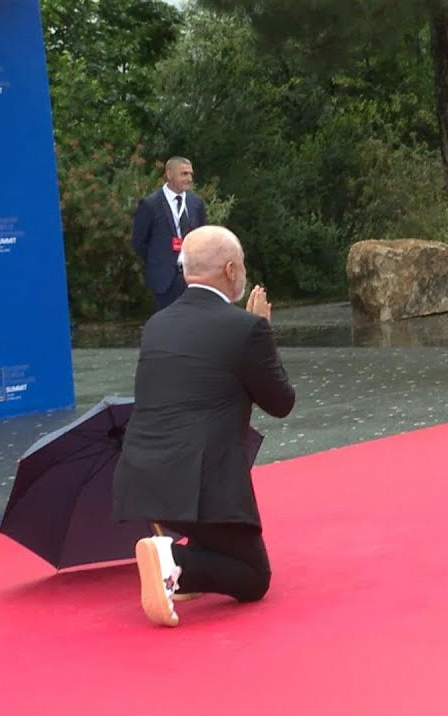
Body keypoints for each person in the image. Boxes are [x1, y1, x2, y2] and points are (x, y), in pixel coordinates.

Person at [113, 225, 295, 628]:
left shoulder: (157, 324)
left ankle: (179, 564)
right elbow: (281, 403)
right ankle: (174, 561)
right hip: (203, 484)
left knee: (224, 549)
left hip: (146, 477)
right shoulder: (245, 328)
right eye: (243, 264)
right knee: (253, 577)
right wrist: (264, 333)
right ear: (231, 270)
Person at [131, 156, 207, 310]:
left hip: (192, 277)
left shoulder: (196, 203)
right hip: (165, 280)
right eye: (184, 174)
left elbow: (202, 237)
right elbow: (139, 242)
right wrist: (158, 260)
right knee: (169, 328)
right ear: (169, 174)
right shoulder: (150, 204)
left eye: (191, 174)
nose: (189, 178)